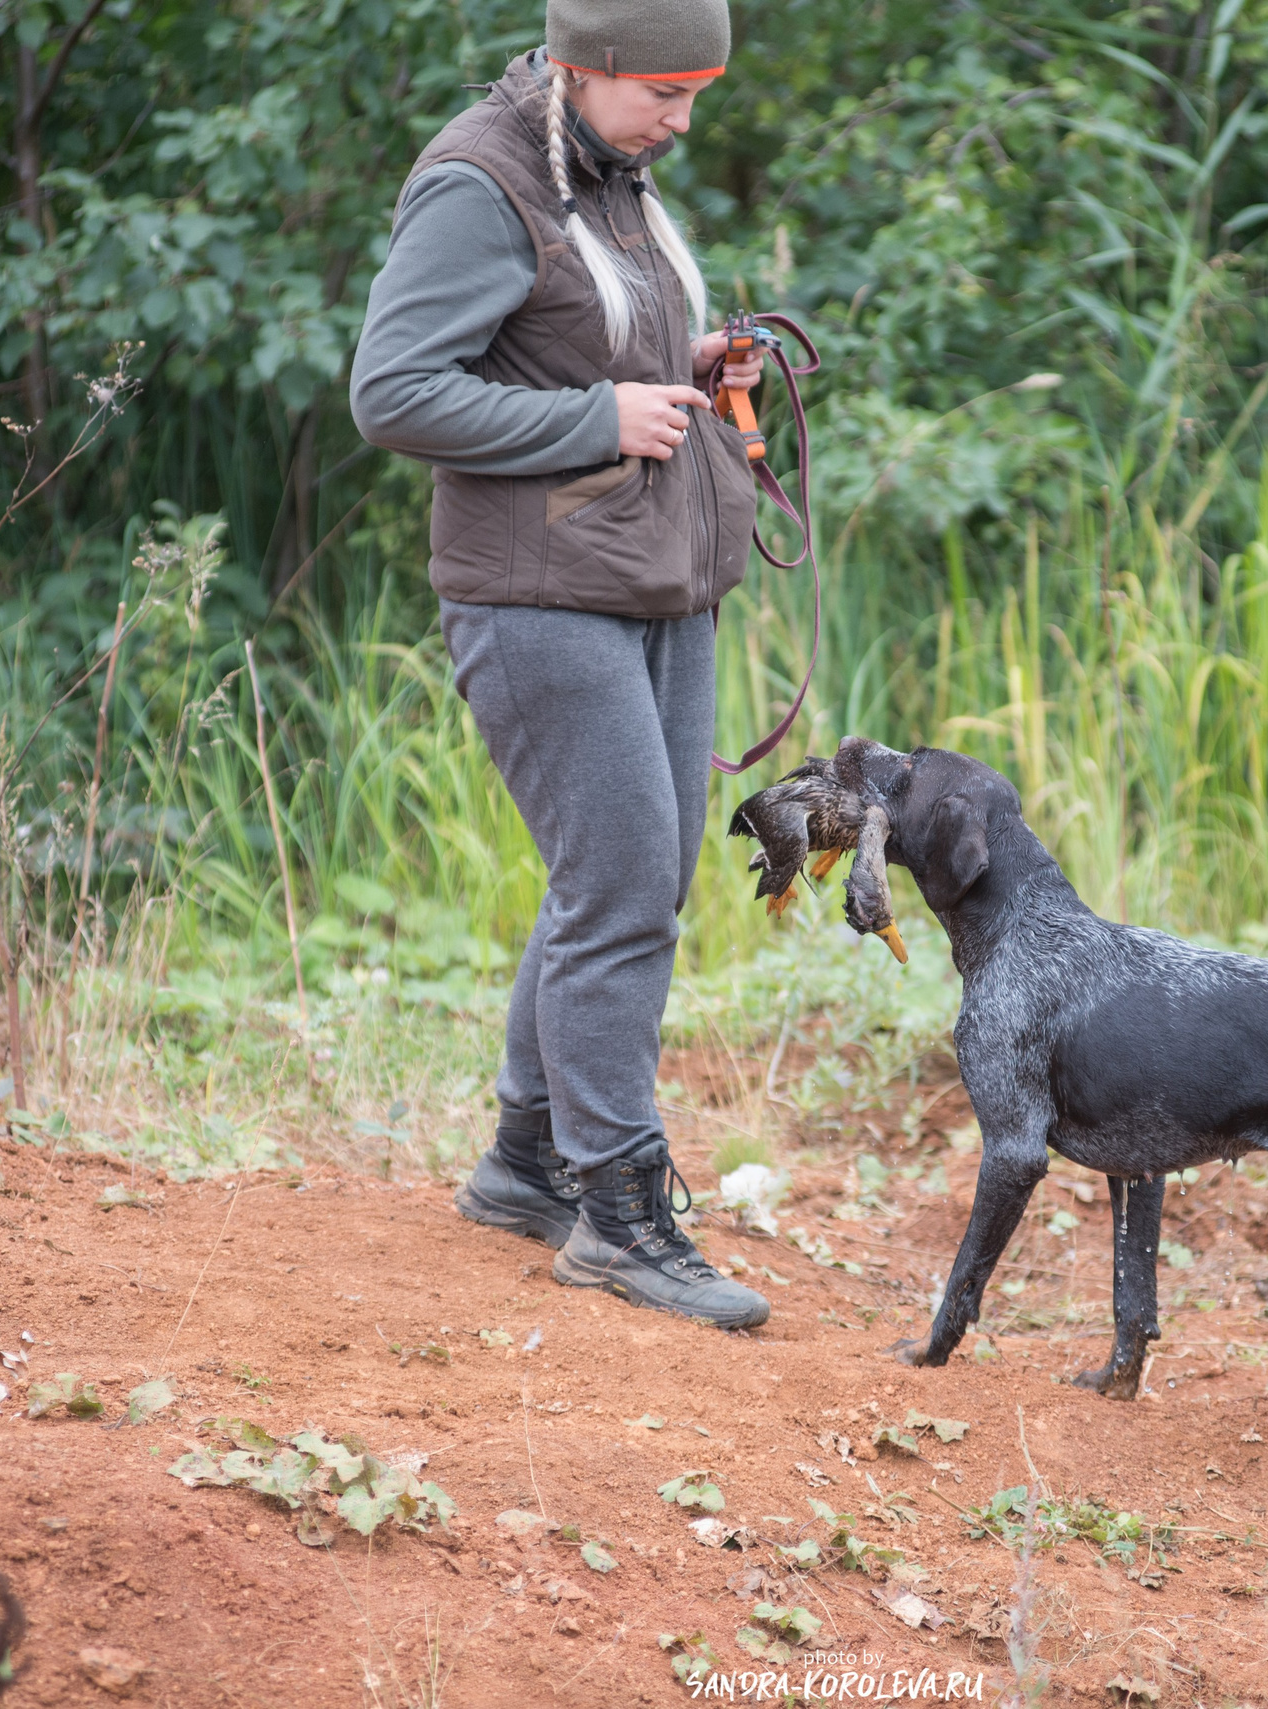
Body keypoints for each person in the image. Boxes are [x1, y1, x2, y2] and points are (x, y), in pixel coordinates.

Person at [348, 0, 770, 1329]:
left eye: (698, 92)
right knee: (624, 887)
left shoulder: (613, 166)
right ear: (583, 68)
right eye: (665, 92)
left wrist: (688, 362)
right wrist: (602, 412)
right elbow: (393, 390)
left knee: (631, 877)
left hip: (657, 580)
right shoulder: (481, 180)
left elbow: (580, 335)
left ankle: (527, 1165)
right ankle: (616, 1210)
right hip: (536, 595)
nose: (683, 119)